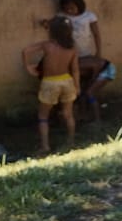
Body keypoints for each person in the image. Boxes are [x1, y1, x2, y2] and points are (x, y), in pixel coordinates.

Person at [22, 17, 79, 154]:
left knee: (43, 116)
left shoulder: (47, 45)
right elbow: (75, 69)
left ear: (51, 31)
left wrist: (28, 67)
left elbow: (25, 51)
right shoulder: (72, 48)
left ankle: (45, 146)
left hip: (50, 82)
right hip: (67, 81)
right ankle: (71, 141)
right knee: (68, 114)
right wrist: (77, 86)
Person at [57, 0, 112, 119]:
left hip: (86, 55)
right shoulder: (62, 16)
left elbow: (96, 34)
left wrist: (99, 52)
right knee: (79, 84)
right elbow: (54, 26)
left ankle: (92, 110)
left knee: (89, 86)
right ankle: (82, 110)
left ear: (79, 4)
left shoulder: (89, 16)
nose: (69, 11)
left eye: (72, 8)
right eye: (66, 9)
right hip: (72, 57)